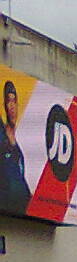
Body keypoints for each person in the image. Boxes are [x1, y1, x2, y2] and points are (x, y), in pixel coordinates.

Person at [0, 81, 30, 216]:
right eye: (8, 101)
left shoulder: (21, 141)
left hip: (22, 206)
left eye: (14, 101)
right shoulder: (1, 135)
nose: (12, 106)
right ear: (4, 105)